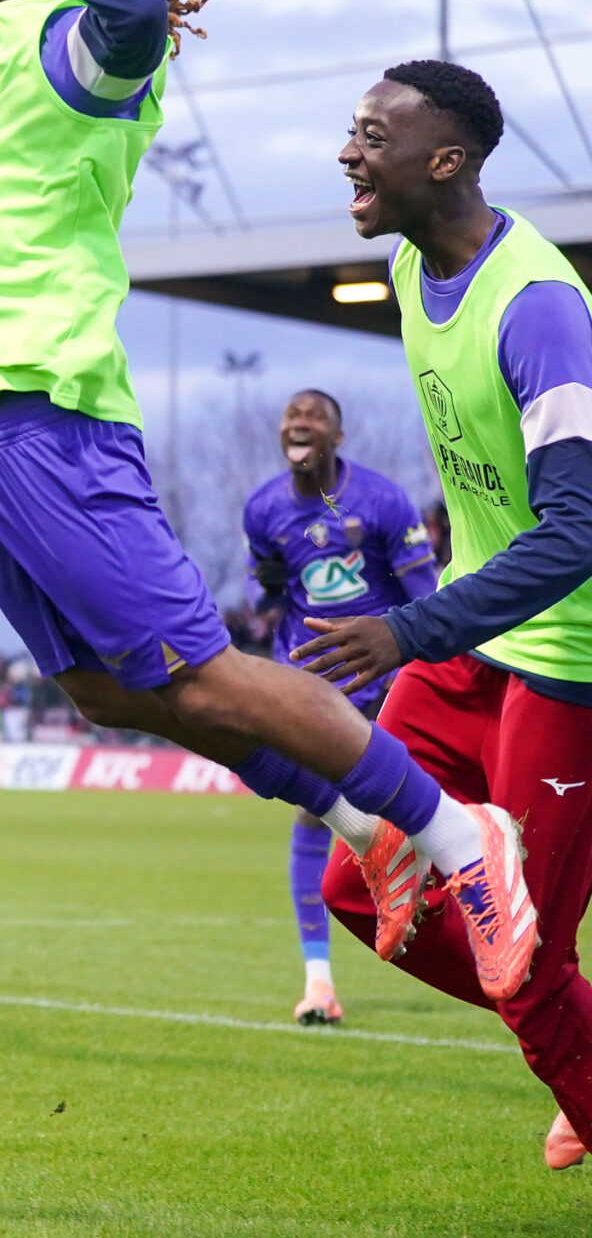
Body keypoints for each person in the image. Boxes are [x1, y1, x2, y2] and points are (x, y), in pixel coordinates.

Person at [0, 0, 533, 998]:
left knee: (206, 671)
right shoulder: (23, 30)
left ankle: (464, 839)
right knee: (99, 691)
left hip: (47, 418)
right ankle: (359, 824)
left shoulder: (86, 53)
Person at [304, 60, 592, 1170]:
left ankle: (562, 1036)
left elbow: (574, 533)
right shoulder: (411, 274)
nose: (347, 151)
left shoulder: (539, 311)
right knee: (351, 883)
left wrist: (407, 628)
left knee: (521, 956)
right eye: (350, 129)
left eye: (372, 134)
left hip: (566, 662)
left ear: (446, 160)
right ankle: (569, 1040)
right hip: (470, 654)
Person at [241, 388, 439, 1025]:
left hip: (383, 685)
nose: (299, 423)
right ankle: (318, 983)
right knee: (309, 813)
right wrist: (263, 592)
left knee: (424, 815)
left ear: (336, 438)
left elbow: (424, 594)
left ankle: (474, 938)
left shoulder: (382, 502)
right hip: (308, 687)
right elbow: (262, 589)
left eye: (313, 417)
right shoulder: (263, 508)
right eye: (291, 415)